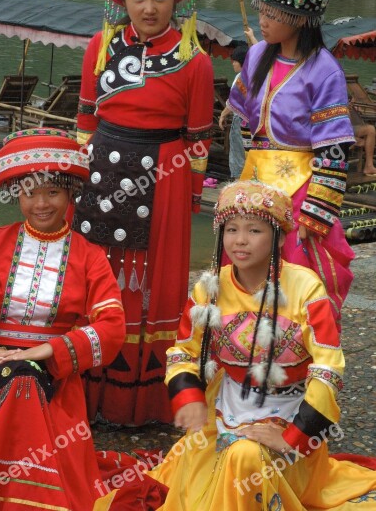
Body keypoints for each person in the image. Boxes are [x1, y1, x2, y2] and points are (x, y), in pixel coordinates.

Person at [95, 179, 376, 510]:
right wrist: (189, 400)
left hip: (291, 412)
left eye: (254, 231)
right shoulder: (208, 290)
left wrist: (293, 437)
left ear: (279, 236)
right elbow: (183, 353)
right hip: (225, 408)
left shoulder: (306, 288)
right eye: (231, 229)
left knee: (243, 457)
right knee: (211, 460)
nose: (240, 241)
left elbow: (328, 370)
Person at [73, 0, 214, 425]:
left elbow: (199, 140)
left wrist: (189, 200)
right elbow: (86, 120)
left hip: (165, 178)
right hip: (102, 175)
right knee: (96, 275)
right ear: (121, 0)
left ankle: (142, 401)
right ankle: (84, 391)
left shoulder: (195, 60)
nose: (149, 7)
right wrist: (79, 178)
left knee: (152, 283)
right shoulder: (100, 46)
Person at [0, 128, 125, 510]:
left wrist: (50, 350)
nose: (41, 204)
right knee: (15, 380)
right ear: (17, 195)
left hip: (55, 370)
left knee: (24, 382)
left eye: (52, 193)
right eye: (30, 193)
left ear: (71, 194)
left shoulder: (90, 256)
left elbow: (112, 328)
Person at [226, 0, 356, 329]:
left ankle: (293, 363)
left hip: (300, 188)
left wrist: (315, 214)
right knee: (241, 266)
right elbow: (248, 122)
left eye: (271, 13)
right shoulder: (255, 55)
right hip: (255, 180)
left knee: (294, 276)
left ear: (299, 19)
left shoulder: (324, 71)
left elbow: (333, 152)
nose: (262, 21)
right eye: (261, 11)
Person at [219, 44, 249, 179]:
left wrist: (223, 114)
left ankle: (238, 184)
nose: (233, 64)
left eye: (234, 61)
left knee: (238, 155)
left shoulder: (241, 77)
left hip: (241, 121)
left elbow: (233, 101)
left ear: (241, 61)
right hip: (253, 122)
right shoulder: (254, 76)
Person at [348, 99, 376, 175]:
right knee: (366, 142)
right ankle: (351, 140)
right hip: (335, 129)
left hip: (348, 127)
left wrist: (351, 107)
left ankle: (369, 166)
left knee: (371, 129)